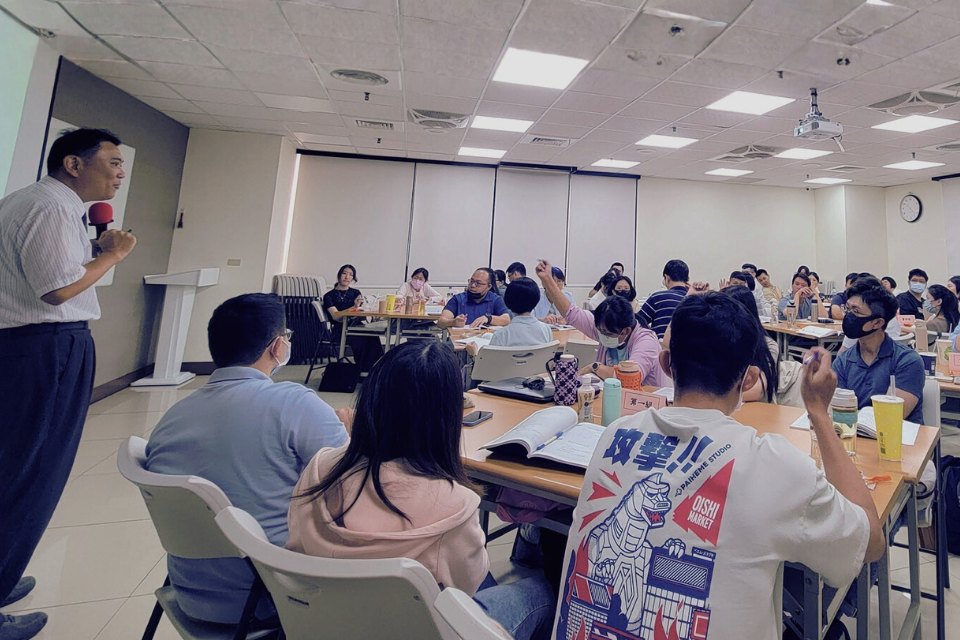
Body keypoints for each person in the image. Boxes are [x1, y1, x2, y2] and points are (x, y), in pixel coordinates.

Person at [554, 293, 884, 640]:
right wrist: (818, 411)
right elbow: (871, 543)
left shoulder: (614, 434)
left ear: (666, 364)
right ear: (748, 379)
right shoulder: (775, 465)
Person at [288, 341, 556, 640]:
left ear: (371, 398)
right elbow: (469, 586)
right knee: (542, 591)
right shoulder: (454, 504)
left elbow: (295, 545)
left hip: (324, 621)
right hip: (416, 629)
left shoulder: (321, 466)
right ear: (448, 417)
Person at [0, 128, 138, 640]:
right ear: (74, 164)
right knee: (29, 472)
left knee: (19, 468)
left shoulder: (36, 202)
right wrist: (112, 256)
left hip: (30, 347)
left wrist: (95, 249)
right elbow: (57, 290)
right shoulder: (51, 207)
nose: (120, 173)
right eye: (113, 162)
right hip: (45, 347)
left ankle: (3, 575)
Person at [145, 293, 349, 625]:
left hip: (189, 594)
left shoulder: (171, 419)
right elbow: (355, 481)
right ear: (278, 347)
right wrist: (353, 434)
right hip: (274, 598)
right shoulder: (293, 403)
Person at [536, 259, 666, 385]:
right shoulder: (604, 326)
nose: (602, 335)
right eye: (600, 330)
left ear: (626, 330)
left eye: (607, 333)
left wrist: (596, 367)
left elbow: (629, 378)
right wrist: (547, 281)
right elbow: (572, 313)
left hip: (646, 397)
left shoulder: (645, 341)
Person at [833, 278, 925, 424]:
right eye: (848, 309)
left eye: (856, 311)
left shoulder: (907, 361)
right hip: (852, 434)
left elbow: (891, 417)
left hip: (898, 436)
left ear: (877, 322)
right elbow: (838, 411)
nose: (848, 316)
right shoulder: (843, 360)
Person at [721, 285, 778, 403]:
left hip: (756, 408)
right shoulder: (720, 339)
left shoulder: (767, 345)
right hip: (723, 407)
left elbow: (757, 391)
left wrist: (710, 399)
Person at [467, 278, 552, 356]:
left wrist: (475, 353)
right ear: (536, 301)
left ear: (507, 302)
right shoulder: (546, 330)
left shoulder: (502, 334)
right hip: (538, 368)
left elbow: (488, 364)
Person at [323, 264, 384, 372]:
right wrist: (354, 307)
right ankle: (362, 371)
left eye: (351, 275)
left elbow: (360, 311)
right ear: (339, 275)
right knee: (361, 340)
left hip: (357, 325)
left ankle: (377, 370)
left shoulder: (356, 292)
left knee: (373, 336)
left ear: (353, 278)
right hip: (340, 329)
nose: (347, 277)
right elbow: (336, 316)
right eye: (344, 273)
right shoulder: (329, 296)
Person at [438, 267, 509, 329]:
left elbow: (506, 320)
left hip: (485, 338)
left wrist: (489, 318)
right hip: (460, 337)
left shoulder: (495, 299)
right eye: (471, 281)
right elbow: (441, 322)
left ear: (489, 286)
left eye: (478, 283)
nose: (472, 285)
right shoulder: (458, 299)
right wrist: (453, 322)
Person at [637, 259, 689, 339]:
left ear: (667, 278)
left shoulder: (657, 298)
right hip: (688, 345)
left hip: (660, 345)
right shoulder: (694, 300)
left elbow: (637, 323)